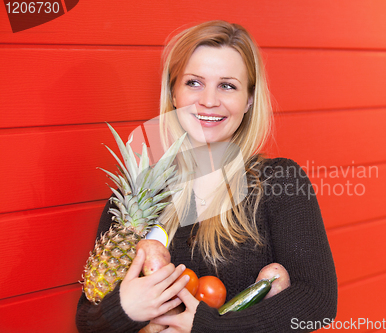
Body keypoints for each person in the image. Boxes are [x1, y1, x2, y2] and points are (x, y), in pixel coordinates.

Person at [76, 20, 337, 333]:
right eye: (194, 83)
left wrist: (207, 327)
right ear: (173, 93)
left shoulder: (279, 182)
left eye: (227, 85)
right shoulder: (140, 194)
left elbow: (317, 301)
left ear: (249, 100)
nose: (209, 101)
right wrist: (125, 308)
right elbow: (87, 320)